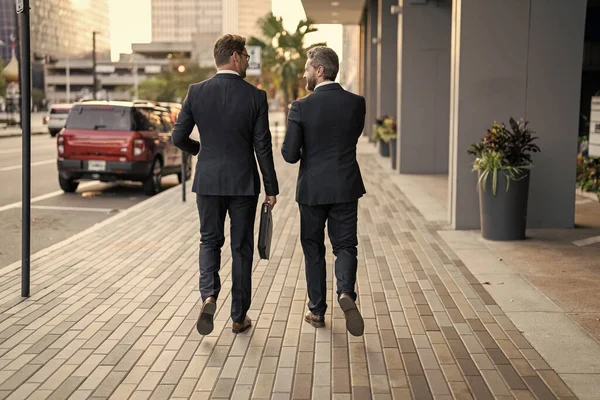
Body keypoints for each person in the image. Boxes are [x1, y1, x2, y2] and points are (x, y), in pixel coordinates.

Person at [172, 34, 279, 335]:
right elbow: (263, 146)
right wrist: (271, 188)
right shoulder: (255, 97)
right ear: (234, 56)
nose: (247, 59)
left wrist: (200, 152)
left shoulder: (196, 92)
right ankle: (238, 317)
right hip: (243, 183)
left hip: (207, 181)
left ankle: (208, 295)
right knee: (241, 249)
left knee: (209, 241)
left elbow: (178, 137)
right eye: (245, 55)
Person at [281, 46, 366, 336]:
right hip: (345, 186)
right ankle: (346, 293)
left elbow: (290, 155)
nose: (304, 74)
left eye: (307, 68)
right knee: (345, 245)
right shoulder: (357, 103)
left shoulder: (301, 106)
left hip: (313, 190)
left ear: (319, 70)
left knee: (313, 248)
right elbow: (350, 139)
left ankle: (317, 310)